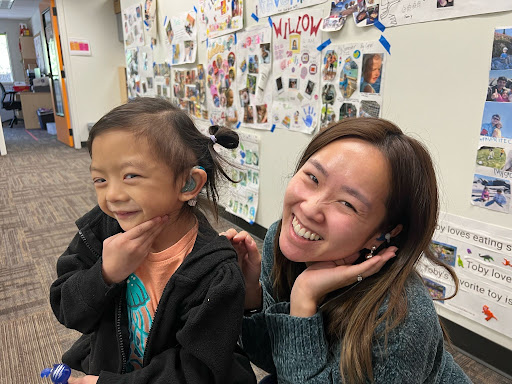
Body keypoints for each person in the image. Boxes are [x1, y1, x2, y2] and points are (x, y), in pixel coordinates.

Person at [222, 118, 471, 383]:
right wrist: (251, 294)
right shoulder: (282, 242)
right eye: (313, 177)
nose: (309, 208)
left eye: (347, 203)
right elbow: (275, 361)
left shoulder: (399, 318)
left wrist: (304, 297)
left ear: (384, 232)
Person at [50, 98, 256, 384]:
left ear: (187, 184)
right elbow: (67, 309)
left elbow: (197, 371)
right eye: (100, 180)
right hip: (109, 363)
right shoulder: (102, 228)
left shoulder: (215, 272)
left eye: (130, 175)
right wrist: (104, 275)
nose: (112, 196)